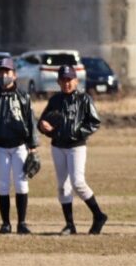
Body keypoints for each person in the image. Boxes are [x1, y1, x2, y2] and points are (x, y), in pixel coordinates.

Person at [37, 64, 107, 235]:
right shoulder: (55, 101)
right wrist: (42, 126)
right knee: (63, 186)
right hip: (58, 146)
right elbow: (43, 122)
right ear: (59, 82)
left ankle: (98, 215)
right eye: (63, 80)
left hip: (76, 147)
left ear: (76, 80)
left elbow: (94, 122)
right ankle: (70, 225)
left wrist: (77, 133)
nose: (67, 83)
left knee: (78, 182)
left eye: (70, 79)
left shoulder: (84, 99)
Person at [0, 57, 38, 234]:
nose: (4, 75)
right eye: (1, 72)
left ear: (14, 74)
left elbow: (30, 121)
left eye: (7, 71)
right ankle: (5, 223)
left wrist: (33, 145)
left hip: (20, 145)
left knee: (21, 183)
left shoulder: (23, 96)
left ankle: (22, 223)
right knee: (3, 184)